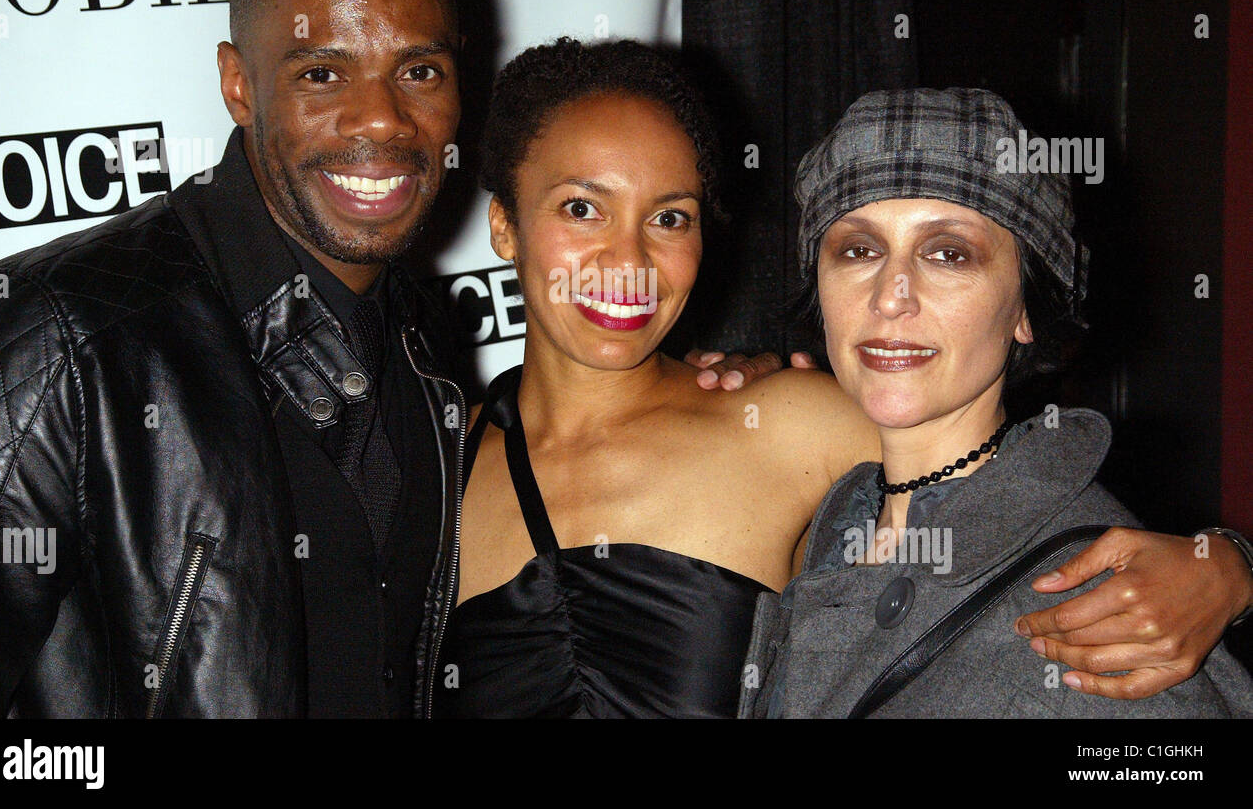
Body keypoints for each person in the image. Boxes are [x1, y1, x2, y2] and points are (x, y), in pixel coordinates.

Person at [433, 40, 1253, 718]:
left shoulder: (795, 423)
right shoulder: (433, 465)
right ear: (503, 222)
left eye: (670, 218)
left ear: (1025, 307)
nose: (628, 260)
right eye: (582, 208)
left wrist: (1229, 569)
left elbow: (1014, 486)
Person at [0, 0, 470, 718]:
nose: (382, 119)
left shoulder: (427, 338)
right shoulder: (62, 339)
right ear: (239, 84)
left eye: (418, 70)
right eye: (321, 72)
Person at [738, 87, 1253, 717]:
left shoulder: (1102, 607)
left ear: (1026, 312)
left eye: (948, 253)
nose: (890, 295)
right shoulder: (833, 523)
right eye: (859, 250)